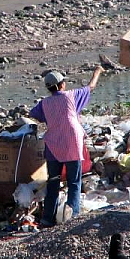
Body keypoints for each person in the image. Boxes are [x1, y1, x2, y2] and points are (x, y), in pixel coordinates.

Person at [30, 66, 103, 227]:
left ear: (49, 88)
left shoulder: (44, 103)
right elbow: (91, 87)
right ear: (62, 84)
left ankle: (47, 219)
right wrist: (97, 72)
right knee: (74, 182)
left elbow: (33, 114)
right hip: (71, 144)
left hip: (54, 146)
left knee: (53, 182)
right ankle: (72, 219)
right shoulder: (72, 96)